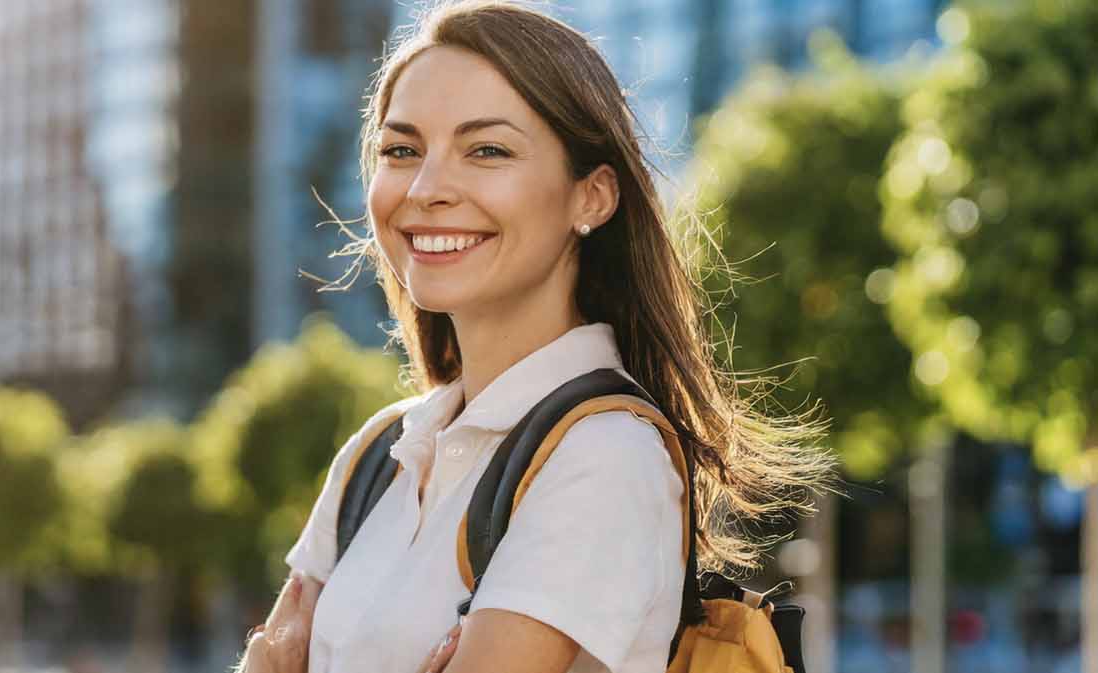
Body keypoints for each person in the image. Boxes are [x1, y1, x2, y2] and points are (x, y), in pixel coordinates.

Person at [238, 1, 834, 672]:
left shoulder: (606, 454)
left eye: (486, 149)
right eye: (402, 150)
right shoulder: (374, 456)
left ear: (593, 196)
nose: (428, 187)